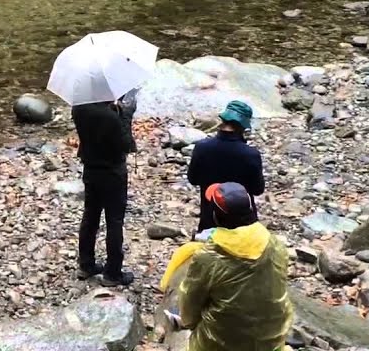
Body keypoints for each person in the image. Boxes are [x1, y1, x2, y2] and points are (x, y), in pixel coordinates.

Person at [158, 182, 293, 351]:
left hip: (221, 343)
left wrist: (186, 321)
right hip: (272, 339)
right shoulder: (276, 245)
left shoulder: (208, 258)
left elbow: (189, 309)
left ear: (216, 217)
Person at [72, 97, 134, 286]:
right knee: (114, 221)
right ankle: (113, 273)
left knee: (90, 216)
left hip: (90, 169)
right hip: (113, 172)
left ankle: (86, 264)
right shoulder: (111, 116)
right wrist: (126, 115)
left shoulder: (79, 108)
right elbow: (127, 145)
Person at [187, 100, 265, 233]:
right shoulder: (251, 154)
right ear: (243, 127)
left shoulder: (202, 147)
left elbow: (193, 179)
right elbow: (258, 189)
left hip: (210, 218)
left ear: (223, 120)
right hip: (243, 223)